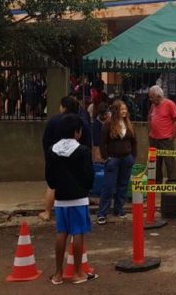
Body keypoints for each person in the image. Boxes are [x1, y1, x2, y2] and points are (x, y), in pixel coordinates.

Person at [45, 114, 98, 285]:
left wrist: (57, 187)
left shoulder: (52, 150)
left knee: (61, 233)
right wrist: (86, 189)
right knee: (78, 233)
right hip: (78, 198)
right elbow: (89, 176)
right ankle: (77, 273)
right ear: (77, 132)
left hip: (60, 198)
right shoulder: (83, 151)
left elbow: (49, 177)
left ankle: (58, 274)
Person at [39, 96, 91, 222]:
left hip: (56, 159)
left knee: (52, 187)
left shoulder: (54, 121)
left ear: (63, 107)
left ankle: (47, 212)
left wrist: (50, 156)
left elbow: (46, 140)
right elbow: (88, 143)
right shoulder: (82, 122)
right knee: (78, 186)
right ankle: (79, 213)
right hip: (78, 161)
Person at [97, 100, 137, 225]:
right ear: (116, 111)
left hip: (127, 158)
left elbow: (134, 142)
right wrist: (105, 157)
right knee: (108, 187)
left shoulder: (129, 124)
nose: (124, 111)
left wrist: (133, 157)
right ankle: (102, 213)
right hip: (113, 159)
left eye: (125, 109)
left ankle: (119, 210)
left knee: (123, 185)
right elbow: (102, 142)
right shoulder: (108, 124)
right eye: (121, 109)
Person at [148, 85, 176, 183]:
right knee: (155, 162)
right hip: (154, 139)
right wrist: (149, 133)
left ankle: (172, 180)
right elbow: (150, 118)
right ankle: (157, 181)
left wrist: (173, 137)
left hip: (166, 139)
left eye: (152, 97)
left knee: (169, 161)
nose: (150, 99)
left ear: (158, 96)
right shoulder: (153, 106)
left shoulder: (169, 104)